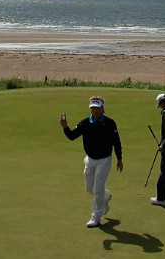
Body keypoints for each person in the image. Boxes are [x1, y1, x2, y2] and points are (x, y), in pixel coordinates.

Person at [60, 95, 123, 228]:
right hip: (90, 159)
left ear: (102, 108)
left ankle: (96, 217)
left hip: (104, 160)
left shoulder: (110, 123)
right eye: (93, 108)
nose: (95, 111)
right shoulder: (85, 123)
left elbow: (116, 141)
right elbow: (72, 136)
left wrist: (119, 158)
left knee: (98, 188)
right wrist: (65, 127)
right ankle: (106, 195)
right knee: (90, 188)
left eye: (97, 108)